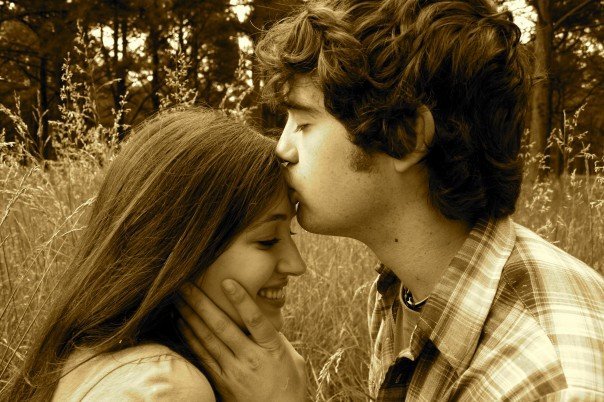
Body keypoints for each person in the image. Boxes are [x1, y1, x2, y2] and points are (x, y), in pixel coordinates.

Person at [177, 0, 604, 400]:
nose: (282, 148)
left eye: (304, 122)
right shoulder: (406, 288)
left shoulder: (541, 380)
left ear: (406, 138)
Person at [2, 108, 307, 401]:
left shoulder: (82, 355)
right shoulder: (168, 388)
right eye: (267, 240)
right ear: (181, 251)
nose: (297, 265)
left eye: (289, 234)